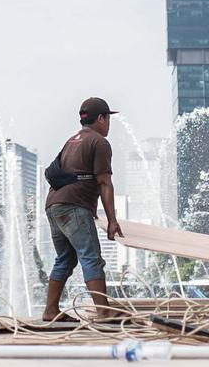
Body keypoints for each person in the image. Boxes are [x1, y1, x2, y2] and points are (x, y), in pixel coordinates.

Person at [41, 97, 123, 322]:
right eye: (108, 119)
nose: (109, 125)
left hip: (53, 205)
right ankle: (104, 312)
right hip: (73, 206)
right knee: (91, 258)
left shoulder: (71, 141)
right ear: (100, 118)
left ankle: (50, 310)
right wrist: (112, 220)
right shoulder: (99, 142)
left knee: (65, 259)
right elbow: (104, 182)